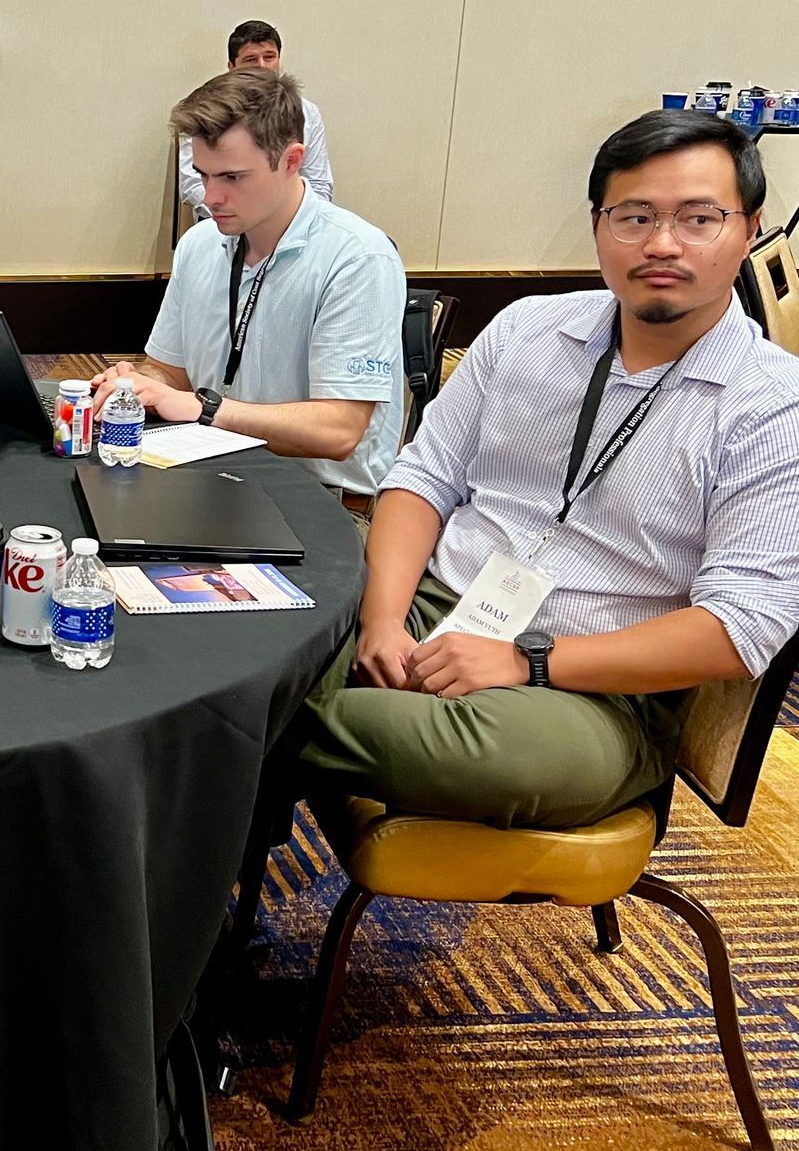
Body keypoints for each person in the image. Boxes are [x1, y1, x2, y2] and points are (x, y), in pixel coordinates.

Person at [297, 109, 799, 829]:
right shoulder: (527, 330)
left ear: (748, 232)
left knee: (499, 758)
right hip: (431, 603)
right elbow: (422, 478)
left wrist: (526, 661)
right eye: (634, 217)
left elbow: (739, 626)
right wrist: (381, 623)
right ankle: (277, 719)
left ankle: (261, 721)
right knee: (268, 618)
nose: (662, 243)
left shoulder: (774, 406)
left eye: (698, 219)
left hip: (592, 690)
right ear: (598, 225)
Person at [96, 68, 404, 512]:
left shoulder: (357, 257)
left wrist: (203, 409)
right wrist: (142, 387)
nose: (210, 197)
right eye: (203, 175)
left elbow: (338, 431)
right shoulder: (200, 245)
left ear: (292, 160)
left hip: (317, 501)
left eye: (232, 177)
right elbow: (170, 372)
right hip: (206, 477)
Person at [177, 20, 333, 217]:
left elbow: (319, 184)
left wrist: (293, 222)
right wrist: (237, 213)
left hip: (291, 221)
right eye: (251, 59)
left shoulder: (307, 113)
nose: (262, 66)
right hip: (220, 220)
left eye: (269, 57)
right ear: (232, 67)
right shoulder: (207, 110)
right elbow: (192, 183)